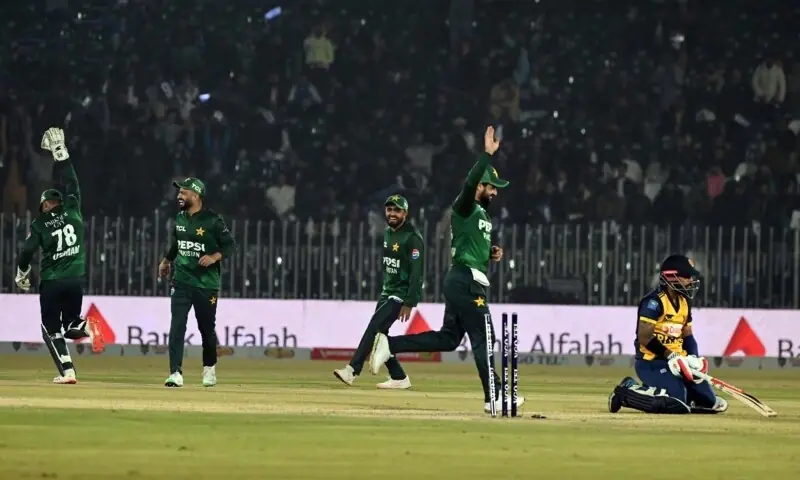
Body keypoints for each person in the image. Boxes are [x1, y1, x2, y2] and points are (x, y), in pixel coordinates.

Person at [368, 126, 525, 414]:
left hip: (464, 278)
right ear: (480, 186)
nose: (495, 192)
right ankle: (495, 396)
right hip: (466, 280)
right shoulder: (465, 206)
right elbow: (470, 182)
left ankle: (389, 344)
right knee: (484, 336)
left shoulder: (481, 215)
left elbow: (470, 246)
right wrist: (486, 155)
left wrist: (490, 252)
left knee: (449, 339)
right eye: (491, 187)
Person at [15, 127, 105, 385]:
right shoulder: (73, 210)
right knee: (71, 325)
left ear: (44, 205)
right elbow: (72, 184)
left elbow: (27, 251)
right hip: (76, 278)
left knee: (50, 328)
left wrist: (22, 273)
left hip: (52, 280)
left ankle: (68, 372)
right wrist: (61, 155)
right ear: (61, 201)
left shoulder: (40, 224)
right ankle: (87, 326)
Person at [608, 254, 728, 414]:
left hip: (680, 364)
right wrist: (671, 355)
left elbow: (688, 335)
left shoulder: (684, 302)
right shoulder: (654, 302)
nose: (691, 280)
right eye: (686, 276)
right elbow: (644, 338)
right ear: (671, 277)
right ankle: (626, 390)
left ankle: (672, 395)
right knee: (676, 399)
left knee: (710, 402)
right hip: (652, 363)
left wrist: (692, 357)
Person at [333, 195, 424, 389]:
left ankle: (351, 370)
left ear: (405, 213)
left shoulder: (413, 238)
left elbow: (417, 274)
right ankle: (399, 377)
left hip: (400, 295)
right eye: (389, 209)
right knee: (379, 336)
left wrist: (409, 302)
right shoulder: (388, 232)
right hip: (387, 292)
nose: (392, 213)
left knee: (374, 327)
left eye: (397, 210)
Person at [158, 177, 237, 388]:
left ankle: (209, 369)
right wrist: (166, 261)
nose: (179, 196)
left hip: (206, 284)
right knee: (177, 327)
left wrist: (214, 257)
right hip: (181, 281)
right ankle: (175, 373)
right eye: (179, 192)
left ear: (196, 195)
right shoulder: (179, 218)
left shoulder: (213, 220)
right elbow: (177, 243)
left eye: (183, 193)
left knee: (206, 329)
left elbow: (230, 246)